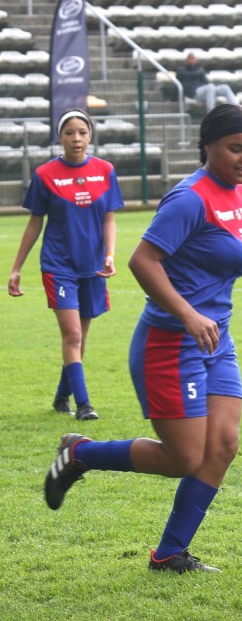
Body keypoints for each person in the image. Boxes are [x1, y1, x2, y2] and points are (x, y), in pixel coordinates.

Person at [42, 103, 242, 574]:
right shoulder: (190, 198)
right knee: (184, 457)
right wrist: (187, 313)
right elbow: (143, 261)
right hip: (169, 343)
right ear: (208, 147)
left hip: (215, 341)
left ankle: (169, 553)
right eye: (236, 148)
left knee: (222, 445)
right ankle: (79, 453)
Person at [8, 108, 124, 421]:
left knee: (80, 337)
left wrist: (110, 254)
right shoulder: (45, 174)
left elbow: (109, 217)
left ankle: (62, 396)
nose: (76, 138)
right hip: (58, 266)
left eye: (82, 133)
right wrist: (17, 268)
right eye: (69, 133)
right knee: (72, 335)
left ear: (90, 136)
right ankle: (84, 405)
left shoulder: (105, 170)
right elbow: (35, 223)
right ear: (59, 137)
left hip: (93, 267)